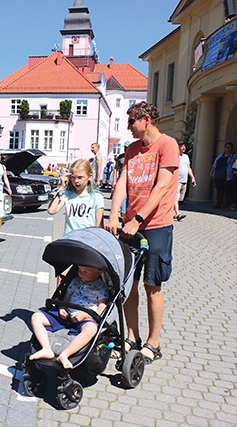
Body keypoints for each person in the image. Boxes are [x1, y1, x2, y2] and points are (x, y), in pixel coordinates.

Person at [104, 101, 179, 364]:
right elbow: (122, 183)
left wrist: (137, 218)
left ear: (146, 119)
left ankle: (153, 343)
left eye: (131, 122)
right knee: (128, 285)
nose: (128, 127)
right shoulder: (131, 149)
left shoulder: (167, 145)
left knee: (152, 286)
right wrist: (114, 215)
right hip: (130, 228)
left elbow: (161, 187)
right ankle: (131, 337)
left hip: (156, 225)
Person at [29, 265, 110, 369]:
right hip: (67, 314)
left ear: (98, 272)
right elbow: (65, 300)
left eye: (85, 272)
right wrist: (61, 308)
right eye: (79, 270)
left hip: (86, 317)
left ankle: (64, 355)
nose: (81, 273)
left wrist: (84, 315)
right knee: (36, 317)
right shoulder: (75, 281)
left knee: (91, 329)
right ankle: (46, 348)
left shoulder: (102, 287)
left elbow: (100, 310)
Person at [47, 159, 104, 235]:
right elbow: (51, 210)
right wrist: (61, 187)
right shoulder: (67, 195)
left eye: (80, 177)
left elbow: (99, 226)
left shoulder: (97, 197)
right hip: (70, 239)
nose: (76, 181)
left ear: (89, 176)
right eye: (73, 177)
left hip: (87, 240)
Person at [173, 141, 197, 221]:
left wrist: (193, 178)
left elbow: (188, 168)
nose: (184, 148)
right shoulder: (174, 156)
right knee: (175, 197)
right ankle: (178, 214)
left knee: (180, 198)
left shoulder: (186, 156)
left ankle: (173, 213)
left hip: (184, 180)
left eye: (184, 146)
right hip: (176, 180)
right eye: (182, 146)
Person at [210, 142, 235, 208]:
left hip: (228, 177)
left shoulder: (234, 156)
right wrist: (212, 173)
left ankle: (227, 204)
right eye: (226, 147)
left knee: (228, 191)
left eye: (229, 147)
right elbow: (214, 165)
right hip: (219, 176)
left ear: (232, 148)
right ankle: (218, 204)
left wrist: (233, 160)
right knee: (219, 190)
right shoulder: (220, 155)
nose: (228, 149)